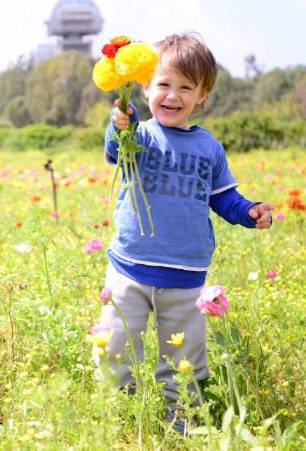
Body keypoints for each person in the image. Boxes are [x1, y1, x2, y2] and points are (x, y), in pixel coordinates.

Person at [94, 32, 274, 435]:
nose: (172, 95)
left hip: (185, 277)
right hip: (130, 270)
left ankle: (183, 421)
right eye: (163, 84)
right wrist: (119, 122)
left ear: (202, 95)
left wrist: (251, 212)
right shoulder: (138, 133)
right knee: (117, 345)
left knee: (185, 358)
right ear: (145, 87)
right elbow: (113, 148)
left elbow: (225, 199)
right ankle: (121, 414)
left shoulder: (209, 148)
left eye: (185, 87)